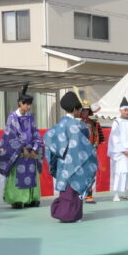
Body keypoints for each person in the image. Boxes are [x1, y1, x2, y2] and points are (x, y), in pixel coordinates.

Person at [45, 92, 99, 222]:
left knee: (66, 192)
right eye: (79, 109)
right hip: (76, 163)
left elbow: (48, 137)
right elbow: (85, 139)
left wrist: (58, 155)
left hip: (63, 165)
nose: (80, 111)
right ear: (75, 109)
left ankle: (63, 213)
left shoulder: (59, 125)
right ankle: (72, 215)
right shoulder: (78, 126)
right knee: (75, 191)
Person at [0, 86, 43, 210]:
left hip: (30, 151)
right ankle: (17, 199)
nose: (29, 107)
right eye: (27, 104)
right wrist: (22, 148)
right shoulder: (12, 117)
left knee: (32, 173)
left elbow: (35, 133)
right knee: (18, 174)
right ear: (20, 103)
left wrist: (34, 148)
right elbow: (11, 135)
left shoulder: (30, 117)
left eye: (30, 104)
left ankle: (32, 198)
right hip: (17, 152)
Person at [108, 97, 128, 201]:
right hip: (121, 153)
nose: (127, 112)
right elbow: (115, 138)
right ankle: (116, 194)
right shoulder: (116, 122)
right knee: (120, 173)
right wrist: (124, 151)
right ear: (120, 110)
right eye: (125, 110)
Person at [81, 103, 105, 204]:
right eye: (83, 110)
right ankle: (79, 194)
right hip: (79, 153)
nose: (85, 112)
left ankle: (89, 195)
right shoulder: (75, 123)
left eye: (87, 110)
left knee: (90, 174)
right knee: (80, 174)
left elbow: (99, 139)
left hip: (91, 152)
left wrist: (94, 147)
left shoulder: (94, 123)